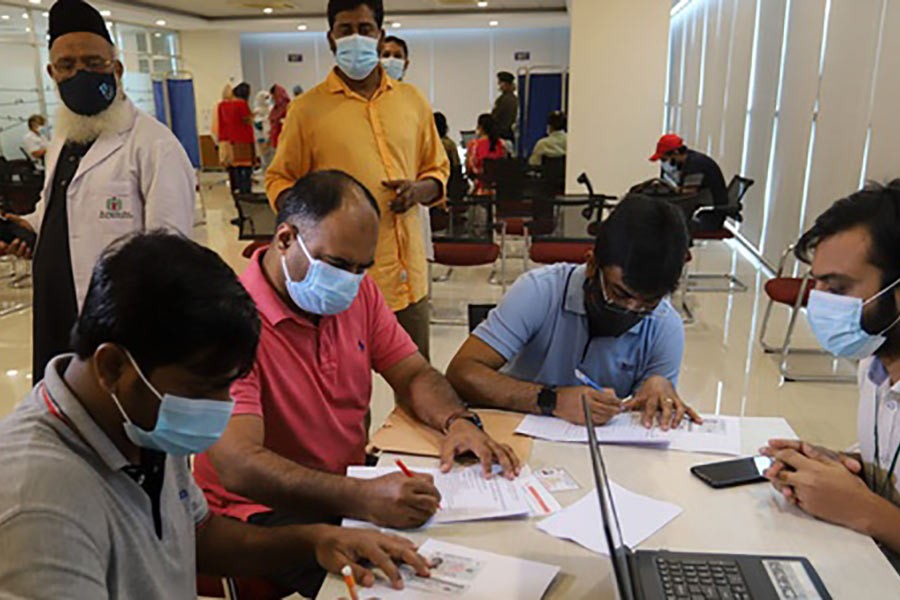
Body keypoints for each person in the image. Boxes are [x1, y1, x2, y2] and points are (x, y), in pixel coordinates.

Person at [0, 231, 432, 597]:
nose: (224, 406)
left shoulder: (135, 421)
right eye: (204, 388)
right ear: (113, 367)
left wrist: (317, 539)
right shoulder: (39, 506)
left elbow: (196, 535)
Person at [194, 171, 519, 594]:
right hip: (262, 509)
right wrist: (360, 496)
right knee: (391, 584)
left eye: (362, 268)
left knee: (450, 545)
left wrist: (458, 421)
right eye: (339, 265)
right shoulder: (233, 321)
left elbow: (414, 373)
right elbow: (239, 466)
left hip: (341, 483)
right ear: (286, 239)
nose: (350, 280)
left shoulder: (357, 294)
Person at [0, 0, 195, 381]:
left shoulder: (154, 146)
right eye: (67, 66)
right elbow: (55, 210)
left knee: (113, 424)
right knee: (61, 415)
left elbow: (170, 252)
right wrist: (24, 227)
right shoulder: (63, 137)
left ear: (117, 68)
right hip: (56, 311)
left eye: (93, 63)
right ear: (51, 73)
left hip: (119, 322)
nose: (80, 75)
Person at [265, 0, 450, 360]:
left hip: (407, 276)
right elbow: (279, 178)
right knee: (345, 399)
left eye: (365, 29)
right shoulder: (307, 110)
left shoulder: (412, 101)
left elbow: (437, 169)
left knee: (416, 383)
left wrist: (419, 191)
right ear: (330, 38)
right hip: (341, 281)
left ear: (380, 35)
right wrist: (311, 222)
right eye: (345, 29)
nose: (355, 38)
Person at [446, 193, 699, 429]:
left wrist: (658, 390)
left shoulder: (664, 324)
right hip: (518, 436)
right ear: (592, 265)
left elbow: (647, 425)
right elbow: (462, 372)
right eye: (620, 294)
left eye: (648, 303)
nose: (630, 310)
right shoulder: (540, 291)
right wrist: (551, 400)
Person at [761, 181, 900, 567]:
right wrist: (836, 466)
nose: (818, 303)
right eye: (817, 284)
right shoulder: (874, 364)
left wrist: (864, 509)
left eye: (837, 288)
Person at [649, 133, 728, 230]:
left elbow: (688, 194)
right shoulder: (688, 161)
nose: (663, 163)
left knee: (663, 226)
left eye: (664, 159)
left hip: (708, 217)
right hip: (701, 211)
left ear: (676, 153)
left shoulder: (696, 164)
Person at [218, 81, 255, 194]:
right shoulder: (242, 104)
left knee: (234, 168)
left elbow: (221, 123)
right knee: (246, 168)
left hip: (228, 140)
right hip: (244, 139)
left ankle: (235, 189)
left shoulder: (221, 106)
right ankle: (246, 191)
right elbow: (246, 120)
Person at [466, 113, 507, 194]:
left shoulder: (474, 145)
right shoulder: (501, 144)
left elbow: (469, 169)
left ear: (480, 127)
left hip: (479, 190)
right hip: (500, 191)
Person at [492, 71, 518, 141]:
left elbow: (495, 118)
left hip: (502, 135)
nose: (499, 86)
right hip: (511, 135)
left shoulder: (503, 100)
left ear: (506, 84)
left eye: (500, 83)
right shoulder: (516, 99)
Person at [253, 89, 273, 173]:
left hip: (271, 136)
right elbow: (256, 124)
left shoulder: (271, 109)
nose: (267, 100)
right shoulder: (256, 111)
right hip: (260, 137)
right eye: (265, 98)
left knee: (272, 157)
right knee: (264, 157)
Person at [268, 84, 290, 150]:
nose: (272, 98)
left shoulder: (288, 107)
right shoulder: (275, 108)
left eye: (273, 96)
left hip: (285, 139)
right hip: (276, 140)